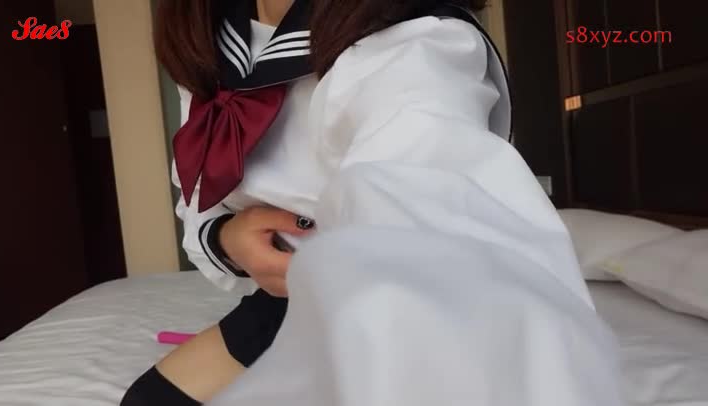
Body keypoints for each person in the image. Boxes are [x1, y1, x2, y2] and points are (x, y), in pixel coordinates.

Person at [122, 0, 624, 405]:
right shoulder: (212, 43)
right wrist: (226, 239)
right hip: (293, 306)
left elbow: (426, 176)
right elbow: (200, 198)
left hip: (406, 312)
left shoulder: (413, 46)